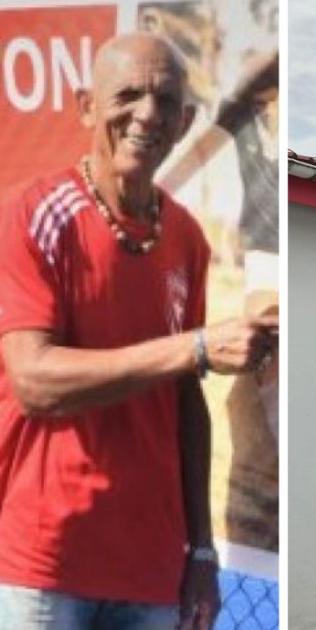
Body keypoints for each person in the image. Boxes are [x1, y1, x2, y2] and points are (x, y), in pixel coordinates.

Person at [0, 33, 275, 629]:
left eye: (165, 100)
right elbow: (34, 380)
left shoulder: (186, 239)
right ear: (85, 106)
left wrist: (201, 550)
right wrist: (195, 347)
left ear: (186, 120)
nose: (147, 114)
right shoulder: (33, 213)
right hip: (48, 564)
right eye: (128, 95)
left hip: (152, 569)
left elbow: (185, 403)